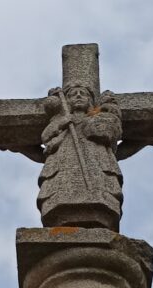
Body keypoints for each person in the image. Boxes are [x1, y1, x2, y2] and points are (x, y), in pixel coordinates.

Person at [36, 81, 124, 231]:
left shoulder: (97, 118)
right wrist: (63, 122)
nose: (78, 96)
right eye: (73, 94)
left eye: (83, 94)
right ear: (67, 101)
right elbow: (46, 136)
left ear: (90, 100)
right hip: (63, 164)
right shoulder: (61, 120)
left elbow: (107, 133)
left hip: (96, 163)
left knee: (99, 191)